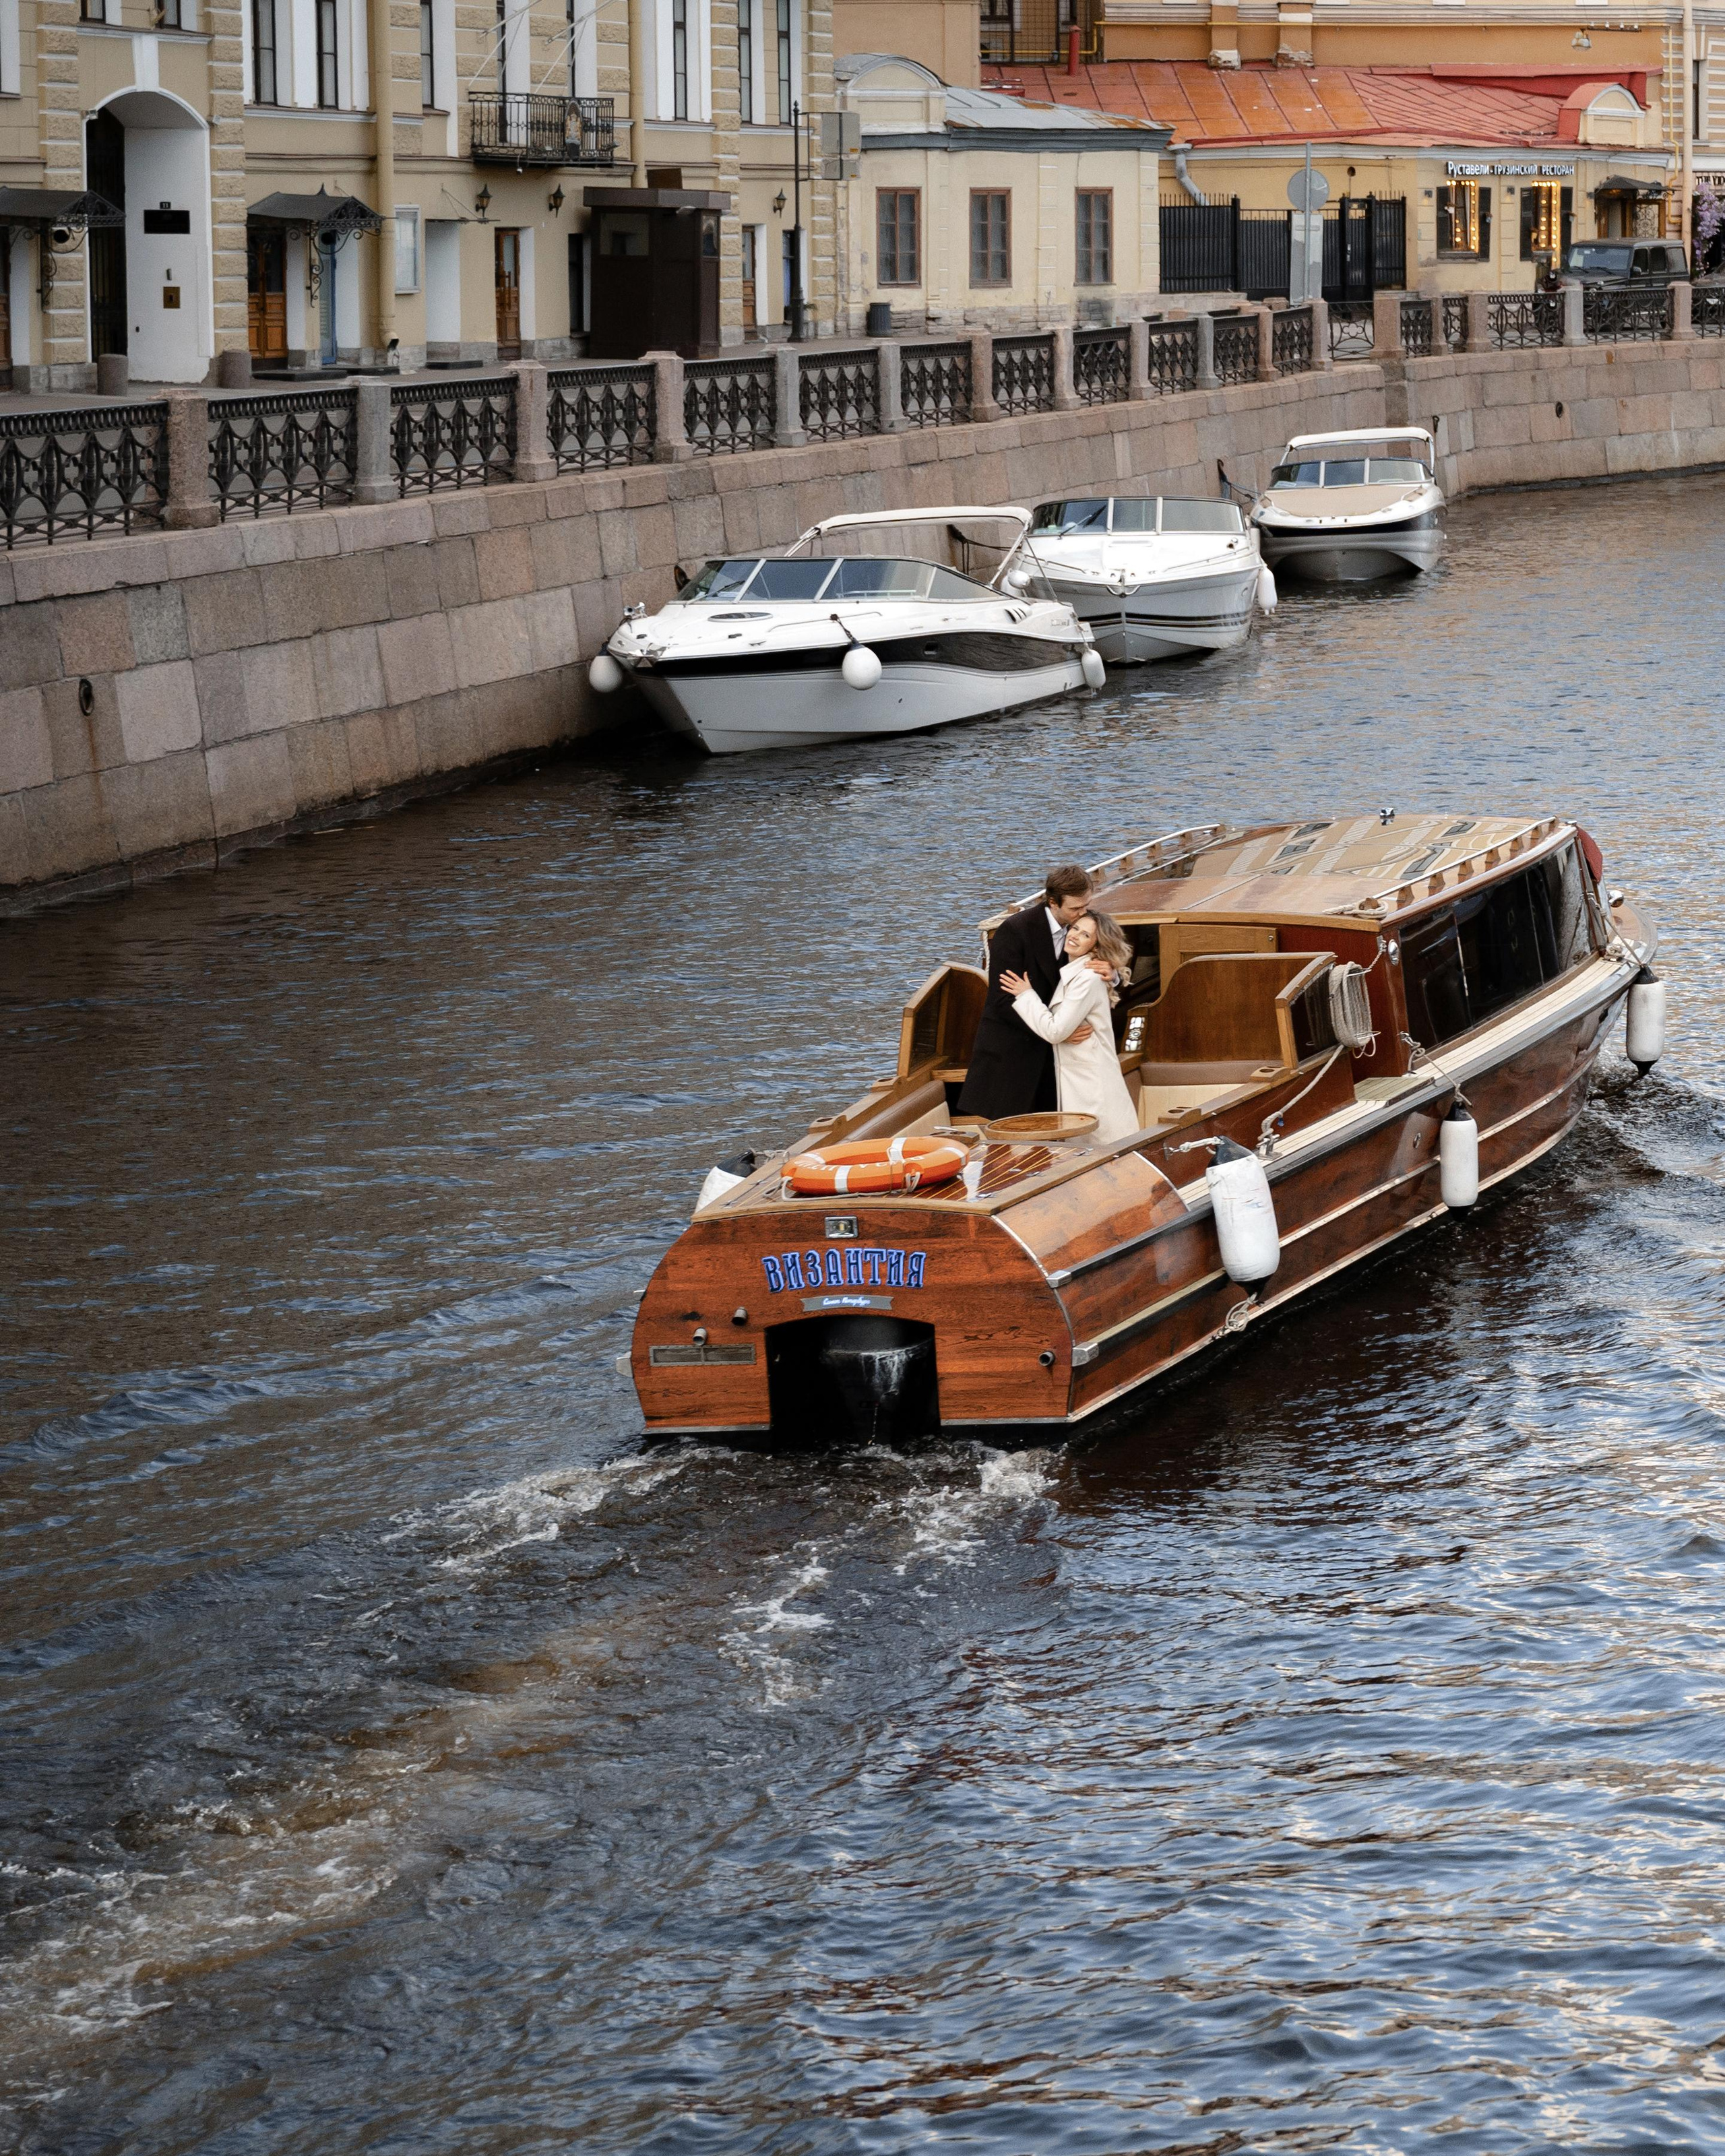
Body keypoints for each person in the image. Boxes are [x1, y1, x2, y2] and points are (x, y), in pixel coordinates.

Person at [955, 865, 1096, 1123]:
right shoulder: (1016, 931)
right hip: (1014, 1054)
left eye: (1086, 905)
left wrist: (1111, 968)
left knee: (1054, 1135)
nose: (1082, 913)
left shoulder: (1086, 923)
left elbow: (1116, 952)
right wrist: (1058, 1033)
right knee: (1010, 1140)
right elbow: (1003, 1000)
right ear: (1053, 902)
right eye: (1075, 908)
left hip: (1056, 1057)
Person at [999, 911, 1138, 1144]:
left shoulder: (1088, 979)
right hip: (1080, 1080)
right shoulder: (1073, 969)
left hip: (1092, 1083)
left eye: (1085, 935)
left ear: (1096, 947)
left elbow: (1055, 1031)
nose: (1074, 936)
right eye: (1075, 929)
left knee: (1104, 1146)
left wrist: (1026, 995)